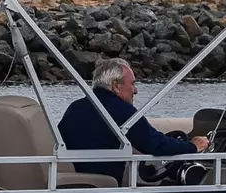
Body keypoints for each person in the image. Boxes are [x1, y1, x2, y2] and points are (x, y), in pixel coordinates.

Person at [59, 57, 208, 182]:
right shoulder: (121, 110)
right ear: (116, 86)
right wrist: (192, 146)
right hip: (103, 187)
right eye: (132, 84)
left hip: (74, 179)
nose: (135, 90)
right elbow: (154, 144)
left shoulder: (74, 108)